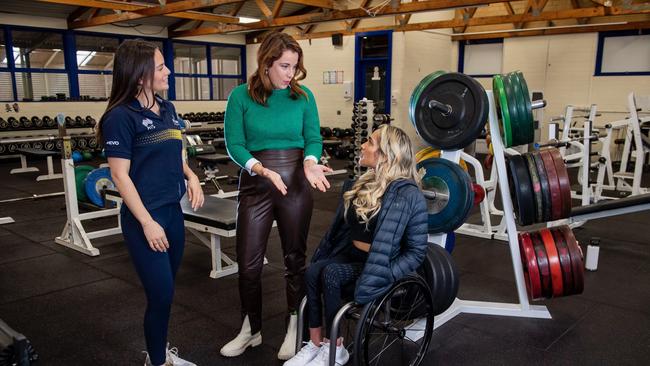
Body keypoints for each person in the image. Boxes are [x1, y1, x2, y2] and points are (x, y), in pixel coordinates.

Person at [220, 32, 332, 361]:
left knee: (295, 261)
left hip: (296, 183)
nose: (290, 74)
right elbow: (234, 144)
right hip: (256, 184)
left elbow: (313, 138)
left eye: (295, 67)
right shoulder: (241, 97)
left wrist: (310, 163)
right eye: (284, 66)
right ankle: (250, 330)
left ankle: (294, 325)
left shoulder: (304, 97)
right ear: (266, 63)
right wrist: (262, 169)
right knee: (248, 264)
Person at [284, 125, 429, 366]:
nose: (362, 145)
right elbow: (339, 231)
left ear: (386, 153)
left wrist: (389, 273)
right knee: (312, 271)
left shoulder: (408, 195)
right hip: (351, 256)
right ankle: (315, 343)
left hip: (380, 264)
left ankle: (335, 347)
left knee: (329, 273)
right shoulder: (357, 185)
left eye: (370, 142)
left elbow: (416, 252)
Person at [97, 39, 204, 366]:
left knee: (167, 294)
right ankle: (157, 361)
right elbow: (120, 176)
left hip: (172, 214)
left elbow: (177, 151)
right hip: (145, 220)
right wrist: (146, 222)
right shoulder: (120, 116)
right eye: (160, 67)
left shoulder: (167, 109)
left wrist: (192, 175)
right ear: (140, 75)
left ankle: (160, 354)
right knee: (160, 295)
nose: (167, 71)